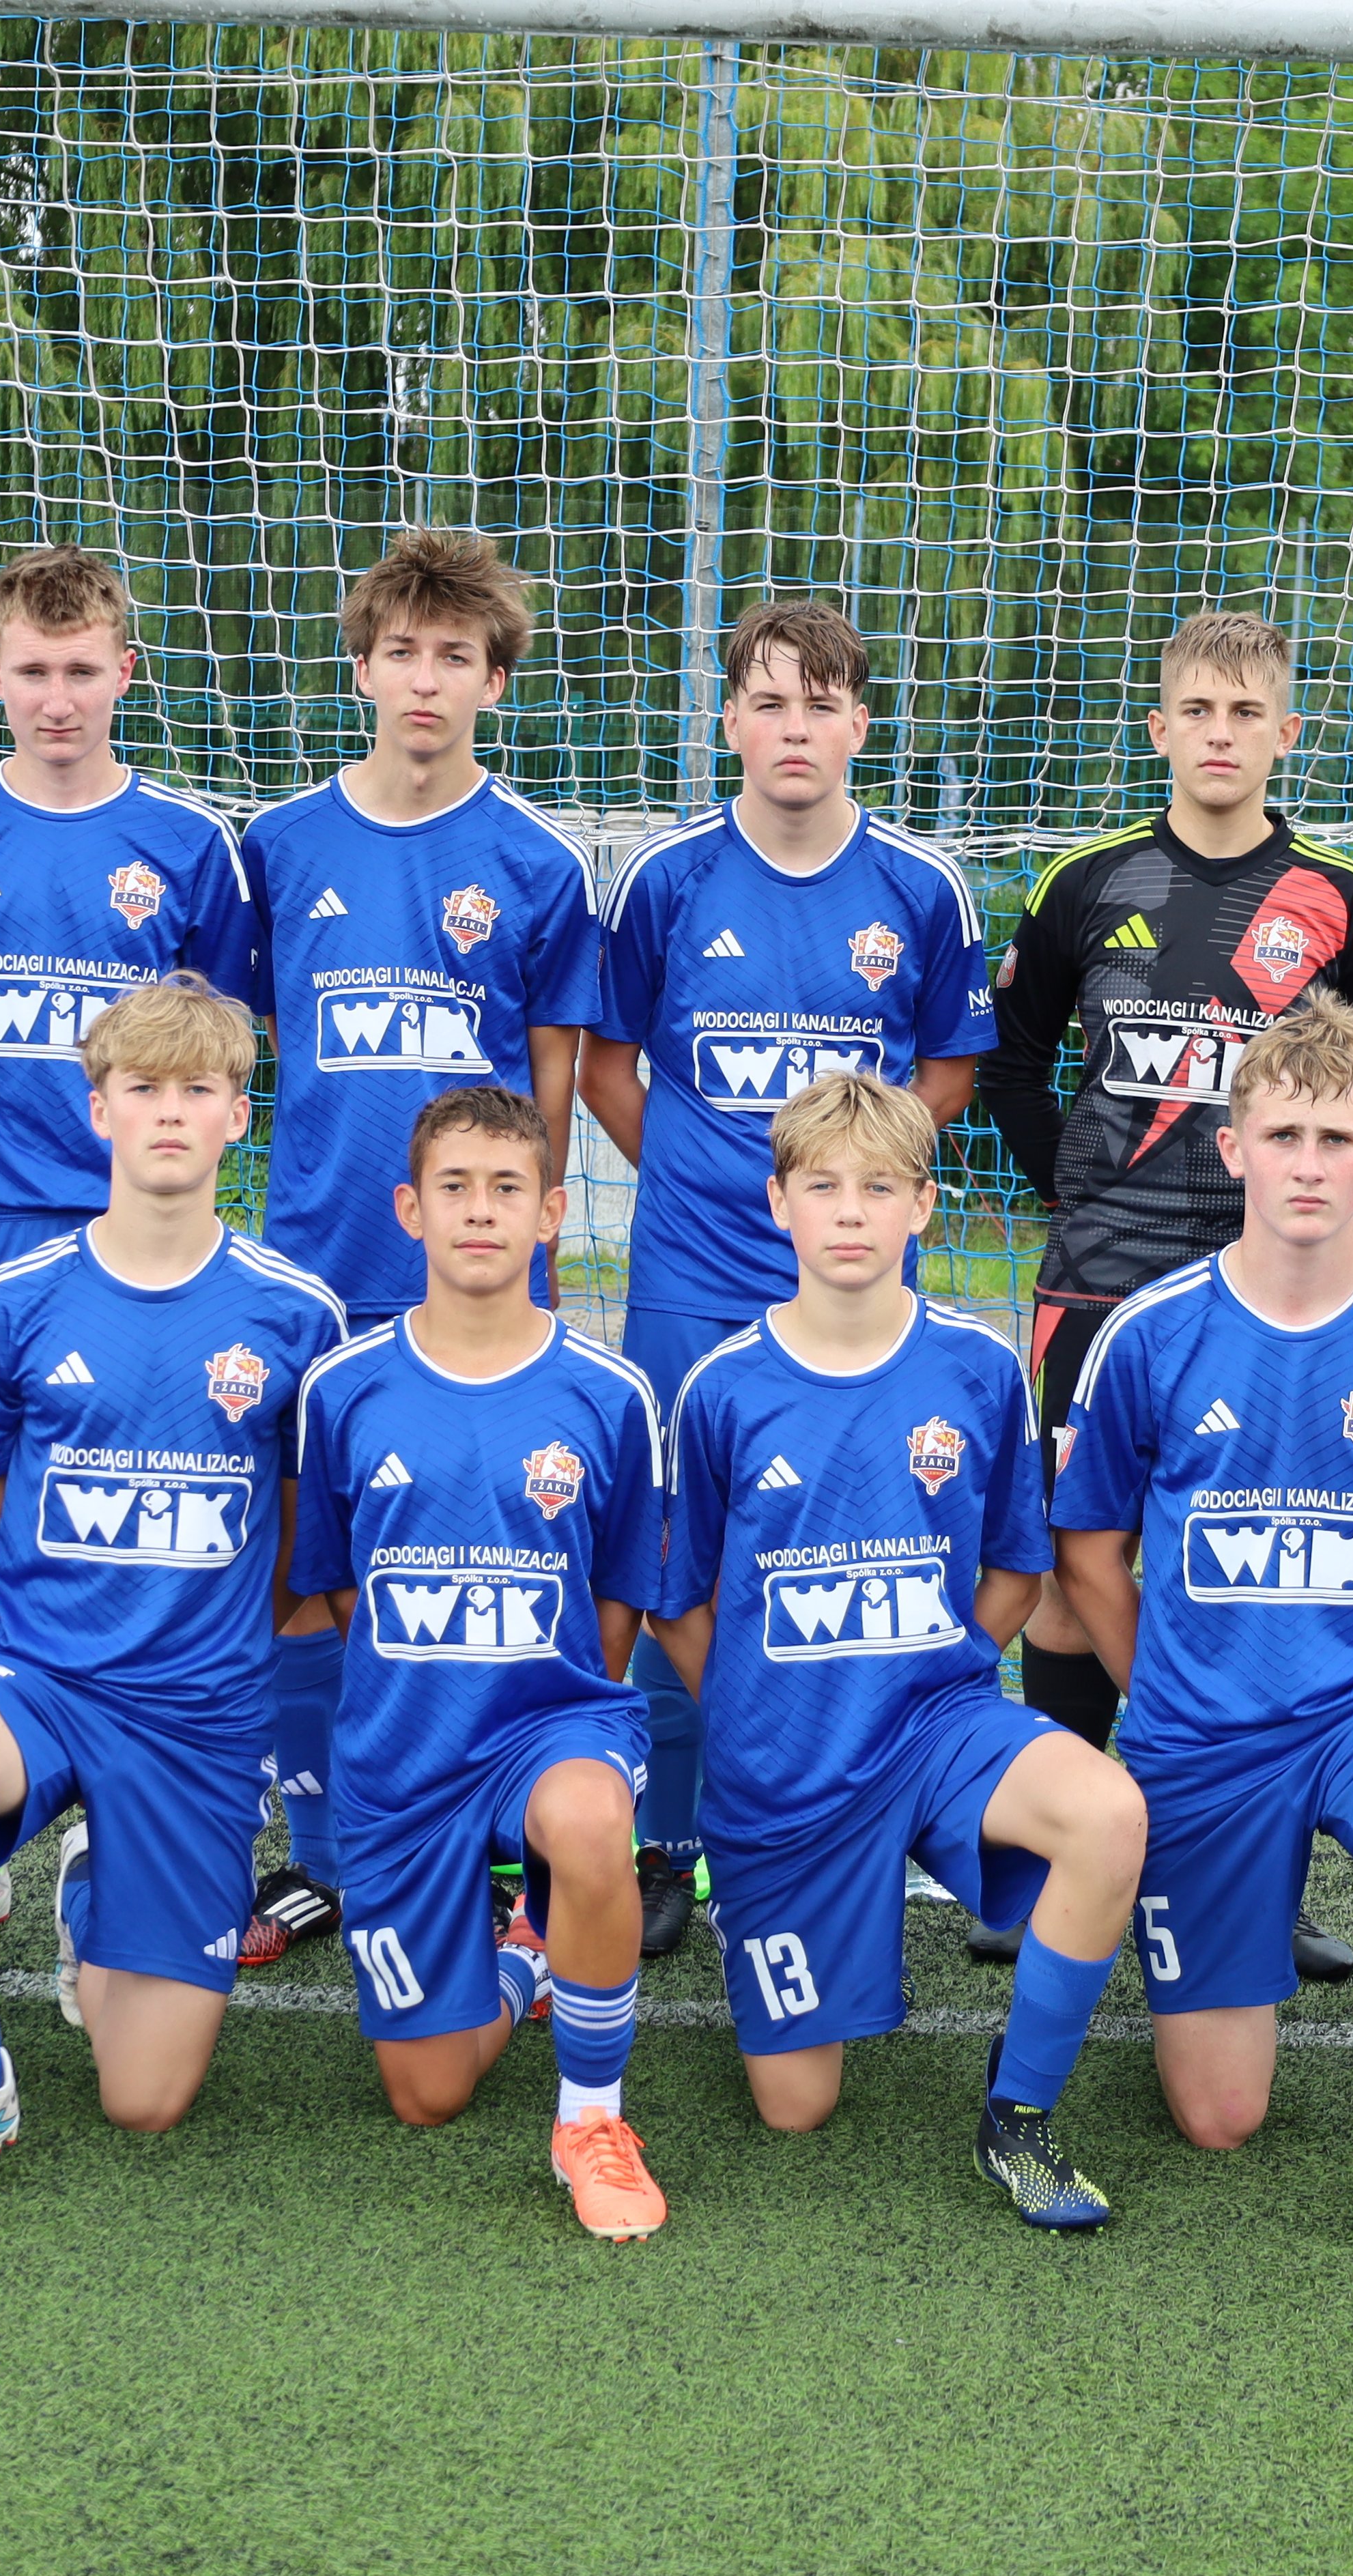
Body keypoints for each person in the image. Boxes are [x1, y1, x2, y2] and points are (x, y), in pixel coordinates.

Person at [0, 975, 344, 2205]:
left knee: (144, 2100)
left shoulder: (299, 1317)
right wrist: (51, 1632)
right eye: (142, 1088)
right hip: (42, 1680)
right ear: (98, 1108)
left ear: (237, 1116)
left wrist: (211, 1649)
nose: (169, 1112)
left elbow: (299, 1548)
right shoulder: (9, 1304)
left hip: (198, 1716)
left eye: (198, 1089)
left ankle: (89, 1887)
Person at [1047, 990, 1353, 2283]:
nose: (1308, 1165)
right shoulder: (1148, 1333)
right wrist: (1165, 1686)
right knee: (1219, 2118)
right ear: (1233, 1150)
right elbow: (1087, 1554)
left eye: (1334, 1138)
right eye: (1283, 1136)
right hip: (1203, 1732)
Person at [978, 604, 1353, 1981]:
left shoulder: (1341, 902)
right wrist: (1075, 1194)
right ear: (1159, 728)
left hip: (1264, 1292)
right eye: (1198, 712)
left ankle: (1249, 1868)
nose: (1222, 736)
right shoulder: (1085, 883)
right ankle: (1060, 1861)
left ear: (1288, 733)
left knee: (1248, 1556)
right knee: (1073, 1554)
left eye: (1248, 714)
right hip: (1098, 1282)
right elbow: (1010, 1063)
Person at [650, 1072, 1143, 2230]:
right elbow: (678, 1606)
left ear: (924, 1205)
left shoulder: (975, 1368)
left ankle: (1016, 2115)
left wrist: (940, 1665)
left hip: (934, 1726)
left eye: (879, 1188)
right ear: (779, 1203)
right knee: (796, 2108)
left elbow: (1017, 1569)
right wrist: (754, 1717)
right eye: (823, 1187)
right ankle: (766, 1909)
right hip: (788, 1766)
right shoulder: (722, 1389)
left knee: (1109, 1813)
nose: (850, 1212)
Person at [590, 599, 997, 1955]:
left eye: (820, 705)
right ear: (730, 723)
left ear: (859, 726)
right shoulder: (665, 879)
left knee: (864, 1544)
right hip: (693, 1280)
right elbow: (608, 1066)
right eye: (768, 703)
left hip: (861, 1298)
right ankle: (670, 1834)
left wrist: (848, 1194)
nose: (794, 729)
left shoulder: (921, 888)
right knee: (679, 1553)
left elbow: (947, 1071)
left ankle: (864, 1802)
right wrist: (716, 1178)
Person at [234, 530, 602, 1968]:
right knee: (300, 1564)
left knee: (488, 1560)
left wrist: (529, 1263)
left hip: (476, 1289)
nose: (428, 681)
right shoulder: (279, 847)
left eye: (457, 657)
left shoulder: (537, 860)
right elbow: (263, 1042)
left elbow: (548, 1086)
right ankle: (327, 1855)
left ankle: (507, 1846)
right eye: (403, 653)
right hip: (315, 1267)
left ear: (495, 681)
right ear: (363, 670)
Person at [286, 1085, 670, 2237]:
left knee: (589, 1819)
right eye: (453, 1187)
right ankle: (527, 1957)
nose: (480, 1210)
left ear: (551, 1213)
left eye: (508, 1188)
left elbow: (617, 1604)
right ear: (410, 1210)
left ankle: (590, 2119)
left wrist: (565, 1720)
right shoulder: (341, 1390)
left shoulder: (609, 1395)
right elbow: (339, 1589)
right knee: (428, 2095)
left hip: (547, 1728)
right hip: (402, 1755)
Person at [0, 547, 259, 1668]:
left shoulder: (189, 844)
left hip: (129, 1231)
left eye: (82, 672)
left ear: (125, 674)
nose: (57, 700)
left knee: (122, 1488)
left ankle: (128, 1737)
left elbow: (214, 1051)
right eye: (33, 672)